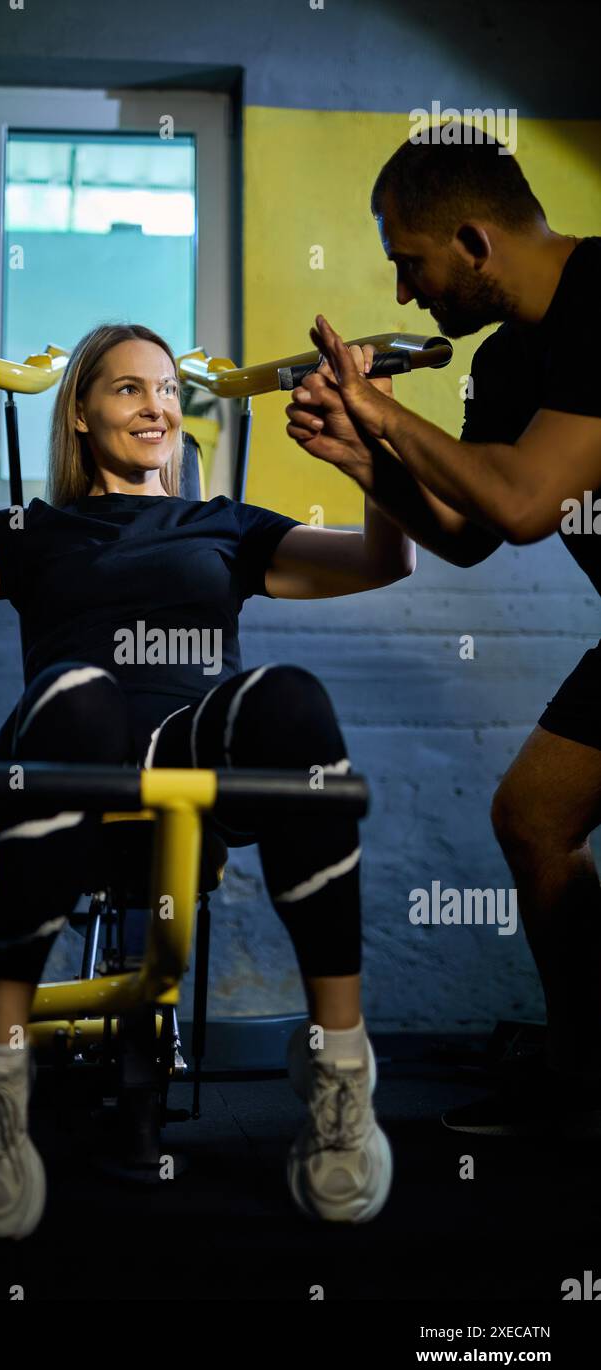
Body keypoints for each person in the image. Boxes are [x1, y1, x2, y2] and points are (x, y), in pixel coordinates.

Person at [0, 320, 414, 1239]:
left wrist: (376, 429)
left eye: (167, 391)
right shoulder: (35, 532)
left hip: (192, 756)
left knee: (291, 697)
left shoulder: (225, 524)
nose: (158, 407)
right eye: (129, 390)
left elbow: (388, 559)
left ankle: (339, 1069)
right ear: (80, 416)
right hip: (69, 755)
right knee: (80, 693)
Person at [286, 126, 601, 1135]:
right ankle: (580, 1074)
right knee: (534, 818)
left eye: (408, 264)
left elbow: (520, 502)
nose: (407, 294)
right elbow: (468, 535)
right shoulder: (507, 360)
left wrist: (383, 416)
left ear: (470, 239)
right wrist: (361, 457)